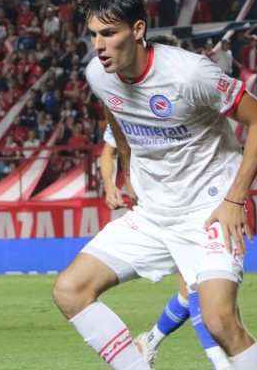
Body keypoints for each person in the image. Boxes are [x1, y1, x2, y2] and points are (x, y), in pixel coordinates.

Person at [51, 0, 257, 369]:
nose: (99, 46)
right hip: (154, 213)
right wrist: (127, 169)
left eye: (109, 33)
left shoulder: (190, 75)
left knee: (220, 320)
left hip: (209, 211)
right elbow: (115, 113)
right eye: (93, 35)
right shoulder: (98, 74)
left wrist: (234, 200)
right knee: (70, 290)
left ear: (138, 29)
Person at [99, 125, 231, 369]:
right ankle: (221, 362)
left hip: (196, 202)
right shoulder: (123, 103)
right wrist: (110, 186)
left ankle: (149, 342)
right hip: (157, 211)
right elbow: (108, 151)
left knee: (189, 291)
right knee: (197, 289)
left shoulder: (184, 98)